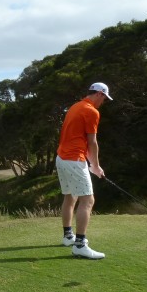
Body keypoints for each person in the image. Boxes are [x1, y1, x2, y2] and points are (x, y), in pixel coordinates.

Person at [56, 82, 112, 259]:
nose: (103, 102)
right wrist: (95, 165)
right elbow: (92, 142)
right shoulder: (92, 111)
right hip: (73, 159)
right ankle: (79, 244)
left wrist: (93, 164)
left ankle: (68, 237)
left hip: (61, 158)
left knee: (70, 196)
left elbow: (79, 138)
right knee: (88, 200)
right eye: (104, 98)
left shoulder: (75, 106)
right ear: (100, 94)